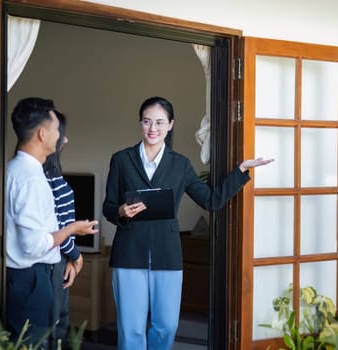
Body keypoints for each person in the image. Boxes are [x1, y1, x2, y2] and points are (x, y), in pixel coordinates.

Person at [102, 96, 273, 350]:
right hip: (129, 253)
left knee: (166, 326)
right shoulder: (121, 160)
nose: (153, 129)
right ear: (140, 123)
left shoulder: (180, 165)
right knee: (131, 330)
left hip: (167, 255)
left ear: (170, 125)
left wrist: (240, 171)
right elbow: (108, 206)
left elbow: (211, 201)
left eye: (160, 122)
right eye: (147, 122)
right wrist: (122, 212)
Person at [5, 97, 98, 349]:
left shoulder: (14, 169)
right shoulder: (31, 180)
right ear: (42, 134)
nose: (62, 137)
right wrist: (71, 229)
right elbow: (34, 246)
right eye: (58, 130)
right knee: (35, 343)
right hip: (32, 278)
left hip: (21, 277)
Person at [43, 110, 83, 348]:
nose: (65, 140)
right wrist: (76, 256)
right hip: (53, 261)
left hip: (58, 257)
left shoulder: (42, 174)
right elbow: (61, 227)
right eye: (62, 133)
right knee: (56, 326)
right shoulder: (51, 180)